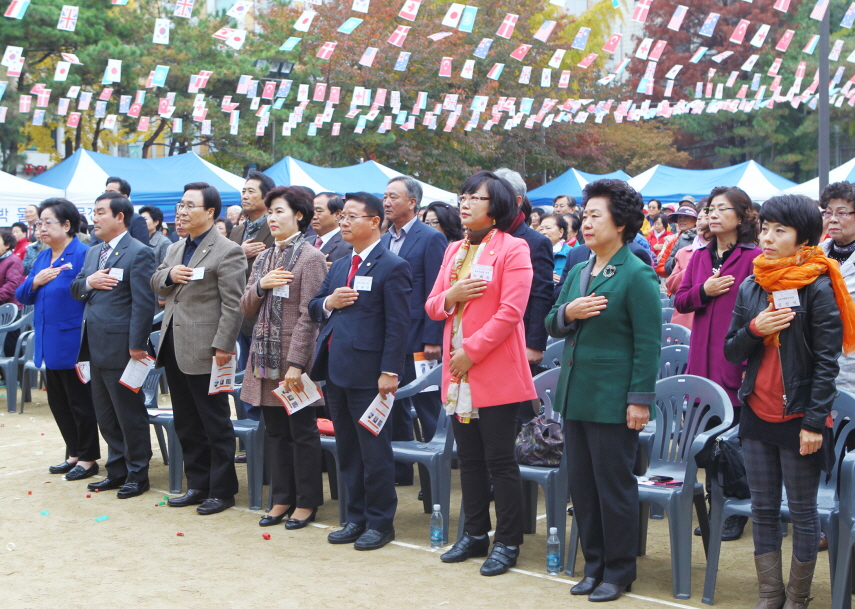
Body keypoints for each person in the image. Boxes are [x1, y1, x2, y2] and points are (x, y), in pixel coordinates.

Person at [724, 194, 855, 609]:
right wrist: (756, 328)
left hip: (800, 416)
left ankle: (798, 598)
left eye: (780, 230)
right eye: (764, 228)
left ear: (803, 239)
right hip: (756, 412)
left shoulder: (818, 285)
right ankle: (770, 595)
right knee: (762, 509)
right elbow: (731, 352)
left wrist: (815, 423)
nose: (767, 237)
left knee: (802, 513)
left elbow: (825, 363)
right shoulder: (752, 283)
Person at [545, 179, 660, 602]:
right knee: (583, 486)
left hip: (614, 399)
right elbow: (551, 319)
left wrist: (639, 400)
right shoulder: (578, 269)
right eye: (585, 215)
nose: (586, 222)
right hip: (576, 394)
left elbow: (649, 342)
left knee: (614, 487)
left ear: (622, 222)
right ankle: (593, 565)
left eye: (596, 215)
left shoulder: (636, 272)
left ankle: (618, 571)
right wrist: (569, 313)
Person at [425, 170, 535, 576]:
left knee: (501, 461)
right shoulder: (453, 249)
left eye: (475, 197)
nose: (465, 202)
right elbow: (434, 306)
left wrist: (470, 353)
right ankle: (474, 533)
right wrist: (450, 296)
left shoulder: (514, 248)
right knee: (468, 458)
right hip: (458, 372)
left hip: (492, 369)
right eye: (463, 195)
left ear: (497, 206)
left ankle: (508, 541)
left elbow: (511, 312)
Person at [308, 191, 411, 551]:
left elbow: (399, 326)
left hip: (371, 375)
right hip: (336, 370)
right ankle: (355, 517)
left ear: (374, 222)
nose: (344, 222)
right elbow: (313, 306)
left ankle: (380, 524)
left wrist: (389, 372)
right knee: (348, 449)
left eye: (352, 216)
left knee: (374, 451)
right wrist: (328, 302)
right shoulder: (338, 264)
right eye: (343, 216)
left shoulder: (392, 266)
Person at [151, 182, 246, 515]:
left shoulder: (227, 250)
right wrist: (170, 275)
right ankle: (198, 484)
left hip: (208, 349)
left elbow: (233, 305)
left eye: (190, 205)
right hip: (174, 345)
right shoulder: (176, 248)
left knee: (214, 423)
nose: (182, 211)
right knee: (187, 422)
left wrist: (223, 346)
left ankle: (222, 490)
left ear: (210, 212)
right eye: (180, 204)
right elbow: (157, 279)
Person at [674, 186, 761, 541]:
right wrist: (704, 291)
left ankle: (737, 507)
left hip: (735, 361)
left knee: (734, 442)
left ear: (741, 217)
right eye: (710, 208)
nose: (712, 214)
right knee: (707, 441)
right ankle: (715, 504)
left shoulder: (753, 257)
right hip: (701, 363)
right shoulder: (699, 256)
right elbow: (681, 301)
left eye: (722, 209)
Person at [240, 186, 327, 529]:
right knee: (274, 431)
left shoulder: (311, 258)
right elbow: (245, 306)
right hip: (264, 355)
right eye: (270, 212)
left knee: (302, 432)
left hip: (294, 358)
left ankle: (306, 502)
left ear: (300, 216)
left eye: (279, 212)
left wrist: (296, 364)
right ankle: (281, 498)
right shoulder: (263, 257)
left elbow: (312, 316)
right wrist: (261, 284)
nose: (272, 219)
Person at [70, 193, 156, 499]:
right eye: (93, 213)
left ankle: (137, 474)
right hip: (94, 345)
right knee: (105, 414)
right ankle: (116, 470)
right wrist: (90, 282)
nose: (94, 218)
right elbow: (76, 288)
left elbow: (144, 304)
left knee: (128, 413)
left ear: (120, 217)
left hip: (123, 348)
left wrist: (137, 344)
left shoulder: (139, 252)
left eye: (100, 212)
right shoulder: (93, 253)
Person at [16, 199, 97, 478]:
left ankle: (88, 458)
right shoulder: (41, 256)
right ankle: (73, 453)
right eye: (39, 223)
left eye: (48, 222)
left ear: (67, 225)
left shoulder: (84, 254)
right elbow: (23, 295)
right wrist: (36, 281)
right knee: (58, 402)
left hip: (73, 340)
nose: (41, 228)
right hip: (48, 339)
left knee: (80, 402)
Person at [381, 176, 447, 488]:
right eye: (385, 197)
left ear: (412, 202)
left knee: (427, 406)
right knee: (392, 406)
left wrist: (433, 337)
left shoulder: (430, 238)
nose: (387, 202)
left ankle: (436, 478)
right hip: (389, 340)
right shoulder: (382, 239)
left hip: (421, 340)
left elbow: (438, 288)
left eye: (394, 196)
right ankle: (400, 471)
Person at [494, 169, 553, 378]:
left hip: (519, 337)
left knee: (517, 408)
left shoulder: (536, 242)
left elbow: (542, 294)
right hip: (483, 336)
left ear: (517, 200)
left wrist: (535, 344)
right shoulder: (480, 237)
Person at [230, 170, 277, 425]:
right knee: (240, 379)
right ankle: (248, 440)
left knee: (261, 378)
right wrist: (240, 252)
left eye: (251, 191)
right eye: (243, 191)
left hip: (263, 317)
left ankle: (263, 437)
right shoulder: (237, 232)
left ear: (267, 197)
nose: (245, 195)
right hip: (236, 316)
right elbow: (222, 265)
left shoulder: (276, 227)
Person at [820, 181, 855, 396]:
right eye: (828, 212)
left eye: (842, 213)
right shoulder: (814, 256)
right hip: (819, 361)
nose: (833, 219)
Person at [665, 207, 711, 330]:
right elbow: (671, 284)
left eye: (706, 218)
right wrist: (693, 269)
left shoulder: (722, 253)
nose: (701, 222)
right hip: (684, 315)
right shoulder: (683, 252)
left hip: (707, 317)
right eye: (699, 218)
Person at [98, 177, 150, 246]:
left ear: (124, 197)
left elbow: (142, 250)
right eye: (106, 192)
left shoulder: (136, 220)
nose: (107, 196)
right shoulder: (99, 219)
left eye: (111, 192)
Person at [656, 197, 699, 278]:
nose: (682, 220)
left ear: (695, 220)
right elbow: (660, 269)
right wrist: (676, 262)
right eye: (680, 217)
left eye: (686, 216)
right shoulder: (672, 241)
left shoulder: (704, 239)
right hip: (676, 288)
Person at [311, 192, 352, 265]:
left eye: (319, 211)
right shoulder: (304, 242)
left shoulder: (349, 245)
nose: (314, 217)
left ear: (338, 214)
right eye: (312, 212)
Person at [0, 230, 24, 355]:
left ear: (7, 245)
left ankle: (14, 375)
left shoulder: (13, 260)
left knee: (9, 350)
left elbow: (11, 286)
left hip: (10, 312)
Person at [537, 213, 572, 282]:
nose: (543, 232)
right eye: (541, 229)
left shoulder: (571, 253)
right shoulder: (535, 252)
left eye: (548, 228)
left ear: (561, 232)